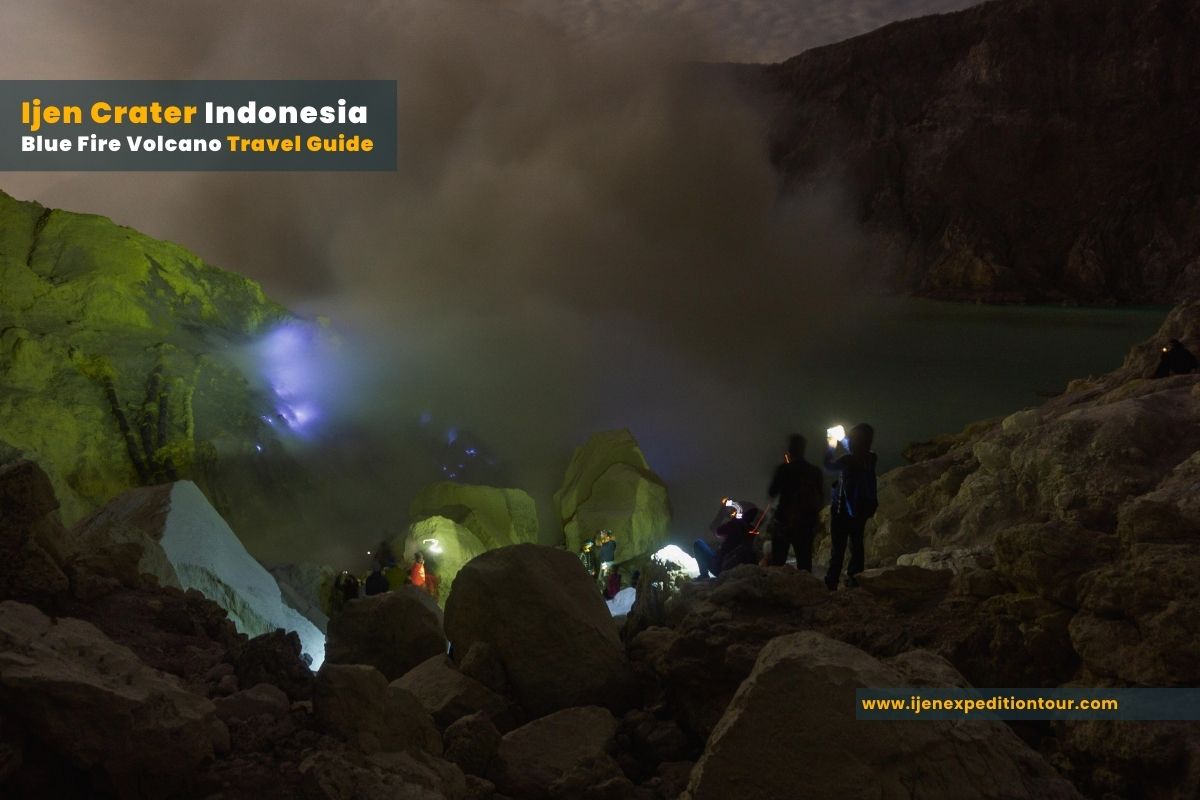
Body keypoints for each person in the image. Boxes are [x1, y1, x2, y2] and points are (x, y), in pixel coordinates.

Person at [824, 423, 878, 590]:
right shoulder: (871, 458)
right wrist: (843, 438)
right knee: (856, 546)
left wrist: (831, 442)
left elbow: (828, 465)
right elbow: (855, 449)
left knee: (838, 549)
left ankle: (831, 583)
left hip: (842, 511)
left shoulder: (847, 460)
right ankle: (855, 579)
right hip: (860, 511)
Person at [767, 434, 825, 572]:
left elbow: (772, 492)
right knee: (804, 563)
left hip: (784, 520)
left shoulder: (783, 470)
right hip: (806, 522)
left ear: (789, 449)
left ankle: (777, 590)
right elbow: (820, 497)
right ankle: (806, 590)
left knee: (778, 563)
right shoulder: (814, 471)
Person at [694, 498, 760, 579]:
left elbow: (717, 530)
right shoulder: (753, 530)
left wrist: (725, 514)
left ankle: (704, 575)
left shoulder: (735, 524)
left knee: (698, 543)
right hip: (737, 570)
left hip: (721, 569)